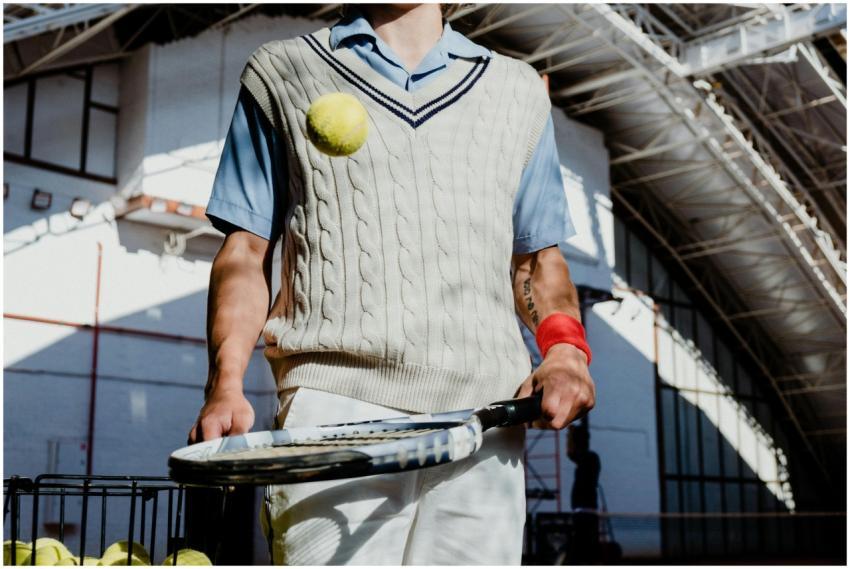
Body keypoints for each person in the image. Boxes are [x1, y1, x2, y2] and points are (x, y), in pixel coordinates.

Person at [188, 4, 595, 565]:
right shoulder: (282, 71)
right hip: (333, 415)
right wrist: (225, 380)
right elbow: (245, 251)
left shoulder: (518, 91)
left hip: (487, 425)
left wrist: (567, 351)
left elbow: (537, 260)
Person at [566, 422, 601, 564]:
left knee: (583, 555)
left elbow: (571, 453)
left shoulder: (590, 458)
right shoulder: (588, 459)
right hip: (582, 513)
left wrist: (570, 436)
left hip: (586, 514)